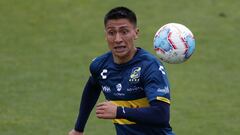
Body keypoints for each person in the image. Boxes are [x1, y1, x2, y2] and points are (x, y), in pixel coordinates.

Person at [68, 6, 175, 135]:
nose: (118, 39)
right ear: (105, 35)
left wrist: (119, 111)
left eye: (124, 32)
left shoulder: (150, 67)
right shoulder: (100, 65)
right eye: (111, 33)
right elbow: (92, 87)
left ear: (136, 33)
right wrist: (78, 129)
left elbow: (161, 115)